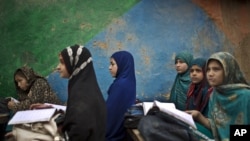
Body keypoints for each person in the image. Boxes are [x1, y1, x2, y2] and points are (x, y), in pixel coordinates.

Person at [186, 52, 250, 141]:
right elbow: (217, 128)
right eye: (208, 69)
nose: (210, 74)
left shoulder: (246, 96)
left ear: (229, 71)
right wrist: (199, 116)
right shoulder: (215, 95)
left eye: (216, 69)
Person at [57, 44, 106, 141]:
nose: (58, 67)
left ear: (75, 63)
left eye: (62, 63)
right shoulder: (86, 87)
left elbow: (79, 130)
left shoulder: (81, 96)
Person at [106, 51, 136, 141]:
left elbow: (110, 114)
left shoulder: (120, 85)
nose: (109, 68)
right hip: (123, 132)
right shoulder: (129, 81)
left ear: (123, 65)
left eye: (112, 64)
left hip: (114, 134)